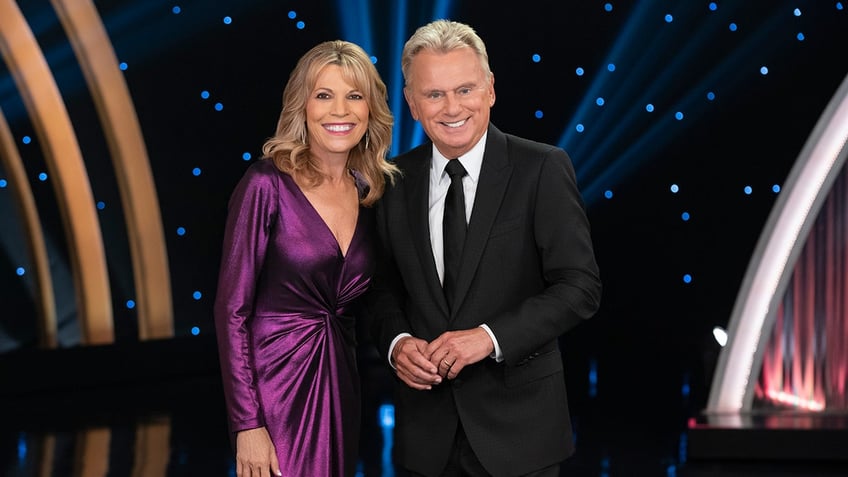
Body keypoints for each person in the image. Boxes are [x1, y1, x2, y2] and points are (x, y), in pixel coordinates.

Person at [365, 20, 602, 477]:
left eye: (465, 89)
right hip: (425, 440)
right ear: (412, 104)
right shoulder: (392, 181)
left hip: (521, 437)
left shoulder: (542, 169)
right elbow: (380, 292)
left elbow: (579, 287)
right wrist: (396, 344)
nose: (452, 107)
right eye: (434, 94)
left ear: (490, 90)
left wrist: (488, 338)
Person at [213, 39, 399, 477]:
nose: (340, 110)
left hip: (341, 382)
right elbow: (230, 310)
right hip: (274, 390)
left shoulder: (369, 192)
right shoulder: (265, 184)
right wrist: (248, 424)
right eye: (324, 95)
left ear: (370, 110)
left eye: (354, 96)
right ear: (302, 106)